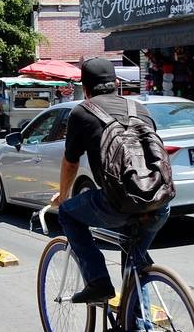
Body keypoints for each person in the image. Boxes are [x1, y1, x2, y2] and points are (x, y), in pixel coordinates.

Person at [51, 58, 171, 305]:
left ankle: (98, 282)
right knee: (135, 266)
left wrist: (64, 195)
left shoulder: (82, 112)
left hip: (117, 203)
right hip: (159, 201)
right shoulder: (140, 109)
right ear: (116, 83)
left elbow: (71, 162)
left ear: (85, 88)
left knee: (68, 213)